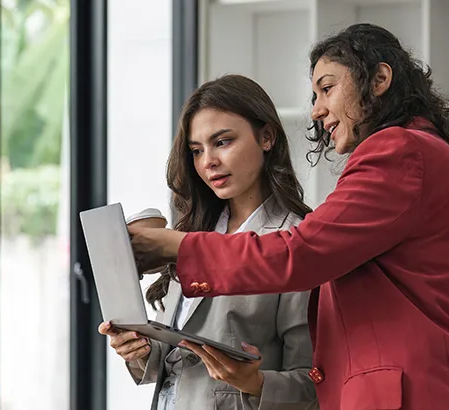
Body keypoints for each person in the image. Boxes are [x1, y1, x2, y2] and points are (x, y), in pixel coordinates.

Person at [127, 23, 449, 409]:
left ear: (379, 79)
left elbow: (300, 252)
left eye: (327, 88)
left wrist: (172, 245)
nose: (316, 109)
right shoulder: (422, 151)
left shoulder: (400, 151)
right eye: (315, 94)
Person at [98, 74, 320, 410]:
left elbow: (315, 383)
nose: (208, 162)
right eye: (196, 150)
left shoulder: (296, 242)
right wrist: (140, 351)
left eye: (223, 142)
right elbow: (177, 360)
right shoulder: (191, 233)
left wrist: (254, 383)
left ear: (267, 137)